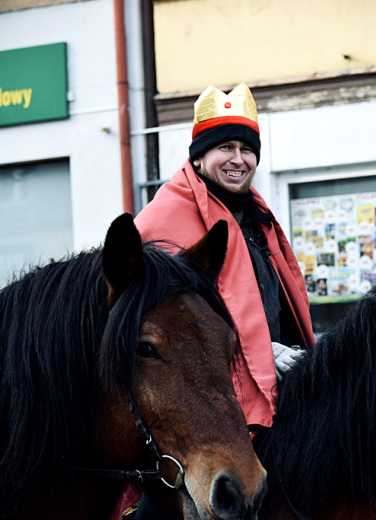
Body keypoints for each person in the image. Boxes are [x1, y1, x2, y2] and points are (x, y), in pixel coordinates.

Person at [135, 83, 315, 430]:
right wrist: (263, 351)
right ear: (199, 157)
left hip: (279, 392)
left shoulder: (256, 217)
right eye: (225, 147)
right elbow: (164, 329)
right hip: (209, 412)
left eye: (247, 149)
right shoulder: (161, 220)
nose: (238, 159)